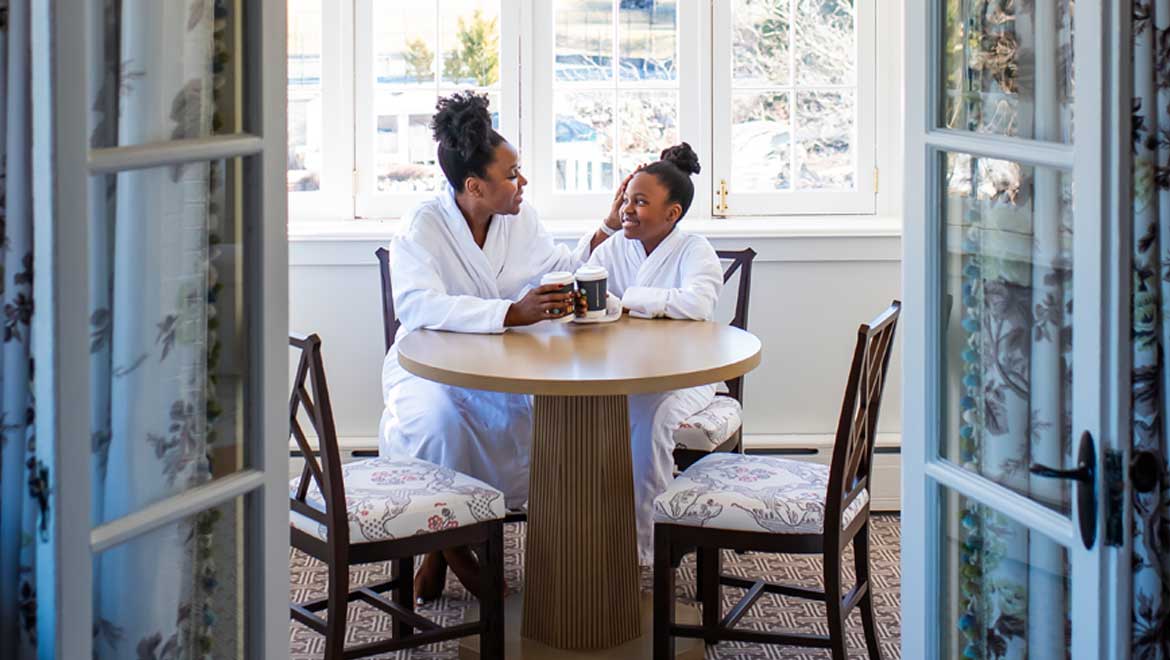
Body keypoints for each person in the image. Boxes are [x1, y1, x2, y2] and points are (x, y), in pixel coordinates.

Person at [380, 91, 629, 601]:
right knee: (440, 426)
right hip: (428, 368)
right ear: (475, 186)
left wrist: (605, 230)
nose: (524, 182)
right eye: (513, 174)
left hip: (503, 364)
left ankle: (445, 551)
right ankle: (460, 557)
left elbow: (560, 265)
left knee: (542, 423)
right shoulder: (421, 227)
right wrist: (511, 312)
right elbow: (416, 306)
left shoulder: (521, 218)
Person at [581, 142, 724, 564]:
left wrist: (628, 300)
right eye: (626, 200)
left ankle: (647, 547)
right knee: (570, 415)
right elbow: (586, 289)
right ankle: (588, 533)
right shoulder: (613, 249)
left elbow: (697, 304)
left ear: (672, 213)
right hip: (620, 371)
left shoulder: (693, 250)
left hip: (685, 377)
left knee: (655, 418)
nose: (627, 209)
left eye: (640, 202)